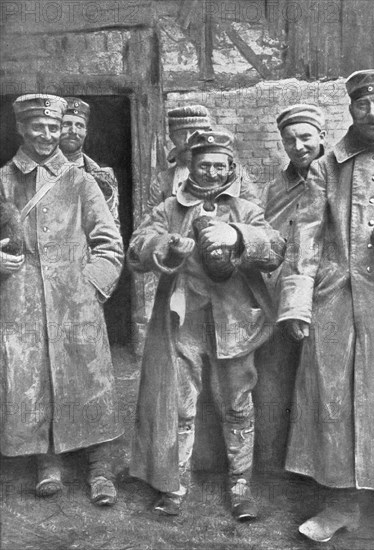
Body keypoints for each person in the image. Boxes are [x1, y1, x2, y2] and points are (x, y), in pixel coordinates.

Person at [278, 70, 374, 541]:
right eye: (363, 105)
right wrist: (298, 303)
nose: (373, 113)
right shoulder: (328, 168)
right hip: (336, 302)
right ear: (351, 110)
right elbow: (305, 238)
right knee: (333, 403)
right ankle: (340, 504)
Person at [128, 130, 285, 521]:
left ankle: (240, 485)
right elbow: (136, 247)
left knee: (236, 403)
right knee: (180, 405)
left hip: (235, 318)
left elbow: (276, 248)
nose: (212, 173)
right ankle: (174, 484)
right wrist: (165, 245)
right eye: (204, 165)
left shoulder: (245, 207)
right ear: (190, 168)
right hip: (185, 318)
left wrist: (238, 234)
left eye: (219, 166)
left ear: (231, 167)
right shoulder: (170, 207)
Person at [0, 94, 124, 506]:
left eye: (54, 128)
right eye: (39, 127)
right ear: (21, 129)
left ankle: (100, 467)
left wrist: (90, 287)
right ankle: (46, 461)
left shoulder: (80, 181)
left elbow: (110, 244)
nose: (48, 135)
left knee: (90, 377)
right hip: (21, 300)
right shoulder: (3, 180)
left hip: (76, 299)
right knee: (31, 379)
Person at [254, 104, 326, 469]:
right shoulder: (274, 188)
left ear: (321, 137)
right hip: (280, 293)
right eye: (290, 140)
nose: (298, 146)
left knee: (319, 381)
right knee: (275, 374)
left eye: (306, 138)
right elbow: (265, 233)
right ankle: (273, 462)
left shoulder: (338, 176)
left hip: (326, 291)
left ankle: (314, 467)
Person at [148, 105, 259, 211]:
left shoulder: (237, 176)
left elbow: (256, 215)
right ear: (172, 138)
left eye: (193, 132)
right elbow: (151, 221)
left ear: (208, 134)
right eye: (181, 134)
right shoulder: (163, 180)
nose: (187, 140)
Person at [59, 97, 120, 227]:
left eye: (79, 125)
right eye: (66, 124)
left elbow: (111, 226)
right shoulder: (38, 172)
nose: (73, 131)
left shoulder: (103, 176)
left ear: (86, 132)